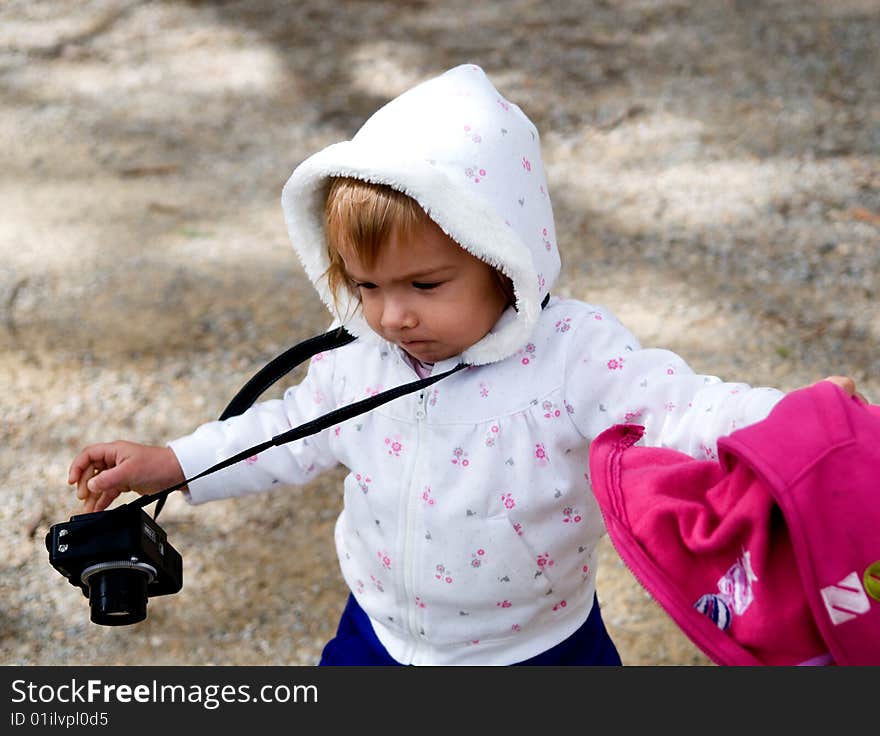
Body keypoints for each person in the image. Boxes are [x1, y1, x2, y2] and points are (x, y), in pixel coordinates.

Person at [67, 64, 863, 666]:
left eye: (425, 285)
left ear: (505, 259)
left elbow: (683, 408)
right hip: (378, 639)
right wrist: (174, 463)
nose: (393, 315)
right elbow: (282, 434)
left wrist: (800, 419)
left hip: (541, 650)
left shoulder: (575, 358)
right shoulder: (364, 364)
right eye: (368, 286)